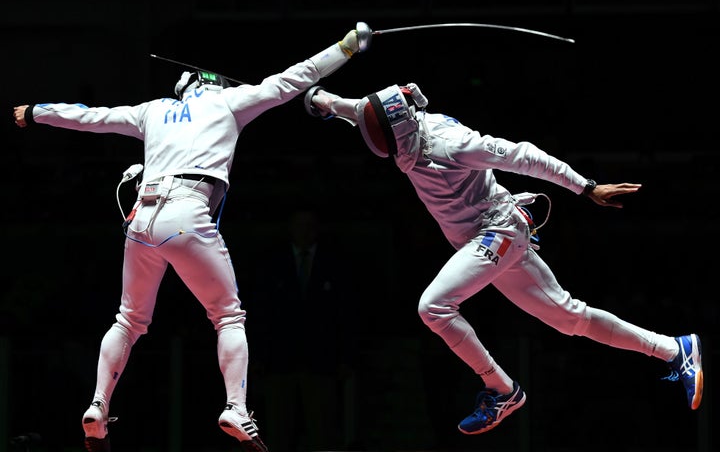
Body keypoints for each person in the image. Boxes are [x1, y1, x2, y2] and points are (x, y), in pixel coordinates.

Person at [11, 23, 370, 452]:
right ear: (211, 86)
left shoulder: (153, 111)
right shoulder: (231, 102)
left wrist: (36, 111)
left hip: (142, 217)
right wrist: (347, 47)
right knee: (228, 316)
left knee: (129, 319)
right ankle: (235, 408)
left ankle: (98, 406)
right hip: (187, 213)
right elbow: (297, 77)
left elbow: (92, 117)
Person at [302, 82, 704, 435]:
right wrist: (317, 98)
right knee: (569, 318)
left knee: (434, 307)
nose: (379, 143)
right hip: (482, 240)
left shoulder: (452, 143)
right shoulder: (395, 124)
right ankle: (673, 348)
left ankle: (501, 390)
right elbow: (354, 109)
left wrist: (587, 188)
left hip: (498, 230)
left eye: (383, 134)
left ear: (402, 128)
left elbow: (525, 156)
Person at [248, 207, 357, 451]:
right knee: (278, 431)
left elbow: (346, 314)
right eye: (300, 225)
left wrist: (345, 358)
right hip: (279, 363)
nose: (305, 231)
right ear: (291, 228)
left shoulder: (335, 264)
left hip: (321, 363)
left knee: (322, 431)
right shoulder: (273, 264)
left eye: (309, 225)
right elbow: (261, 313)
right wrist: (258, 358)